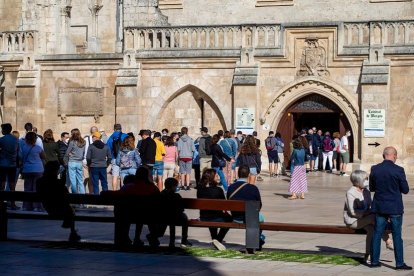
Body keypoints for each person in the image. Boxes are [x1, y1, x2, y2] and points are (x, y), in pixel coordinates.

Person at [369, 147, 411, 270]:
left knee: (377, 234)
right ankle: (399, 263)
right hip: (395, 208)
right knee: (397, 235)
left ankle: (374, 261)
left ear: (384, 156)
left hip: (380, 206)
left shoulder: (375, 169)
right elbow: (406, 190)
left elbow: (372, 188)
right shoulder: (399, 170)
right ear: (394, 156)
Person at [343, 170, 393, 264]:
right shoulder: (350, 192)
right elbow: (353, 212)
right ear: (358, 181)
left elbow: (370, 206)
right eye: (365, 179)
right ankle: (387, 239)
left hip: (366, 220)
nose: (367, 181)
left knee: (372, 229)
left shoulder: (366, 191)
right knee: (375, 218)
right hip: (353, 221)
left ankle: (368, 255)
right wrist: (367, 213)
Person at [37, 161, 81, 242]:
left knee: (68, 209)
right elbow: (66, 194)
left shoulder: (39, 182)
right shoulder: (58, 183)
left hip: (48, 207)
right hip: (60, 209)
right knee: (70, 210)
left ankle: (72, 230)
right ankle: (72, 232)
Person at [227, 165, 265, 253]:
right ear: (248, 175)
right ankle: (256, 241)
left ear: (238, 174)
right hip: (250, 218)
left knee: (255, 216)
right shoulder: (253, 188)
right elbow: (259, 205)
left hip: (235, 217)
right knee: (260, 217)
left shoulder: (231, 187)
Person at [196, 168, 232, 251]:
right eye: (216, 175)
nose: (218, 177)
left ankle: (215, 238)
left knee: (211, 215)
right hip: (216, 216)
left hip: (204, 216)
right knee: (229, 218)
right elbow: (224, 205)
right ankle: (218, 239)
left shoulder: (200, 190)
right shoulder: (218, 190)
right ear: (212, 178)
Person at [159, 178, 192, 248]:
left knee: (171, 220)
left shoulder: (161, 194)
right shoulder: (176, 196)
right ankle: (184, 240)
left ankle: (171, 241)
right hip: (175, 217)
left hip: (163, 217)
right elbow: (181, 208)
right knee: (184, 218)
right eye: (176, 186)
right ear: (173, 186)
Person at [20, 131, 45, 211]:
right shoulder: (38, 148)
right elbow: (43, 157)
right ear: (35, 139)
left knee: (27, 188)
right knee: (37, 189)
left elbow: (20, 157)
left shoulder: (23, 147)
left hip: (27, 169)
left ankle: (26, 206)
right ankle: (37, 206)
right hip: (38, 169)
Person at [0, 123, 19, 209]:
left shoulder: (2, 140)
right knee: (12, 185)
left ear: (4, 130)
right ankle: (12, 203)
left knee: (2, 185)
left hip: (3, 164)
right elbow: (19, 152)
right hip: (12, 164)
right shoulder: (16, 140)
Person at [64, 129, 86, 194]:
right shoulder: (83, 142)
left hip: (72, 162)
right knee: (80, 181)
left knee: (73, 181)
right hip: (79, 162)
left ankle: (75, 199)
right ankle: (83, 200)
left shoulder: (72, 142)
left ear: (73, 134)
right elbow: (83, 152)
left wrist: (65, 161)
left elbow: (67, 153)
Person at [107, 124, 129, 190]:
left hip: (115, 158)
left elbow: (108, 149)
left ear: (114, 129)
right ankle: (124, 192)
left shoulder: (111, 137)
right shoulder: (126, 136)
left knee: (115, 176)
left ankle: (114, 193)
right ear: (121, 128)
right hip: (125, 158)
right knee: (123, 176)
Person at [83, 126, 99, 194]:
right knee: (90, 179)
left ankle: (84, 192)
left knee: (86, 178)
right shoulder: (99, 140)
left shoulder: (85, 140)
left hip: (86, 161)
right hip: (92, 162)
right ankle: (90, 193)